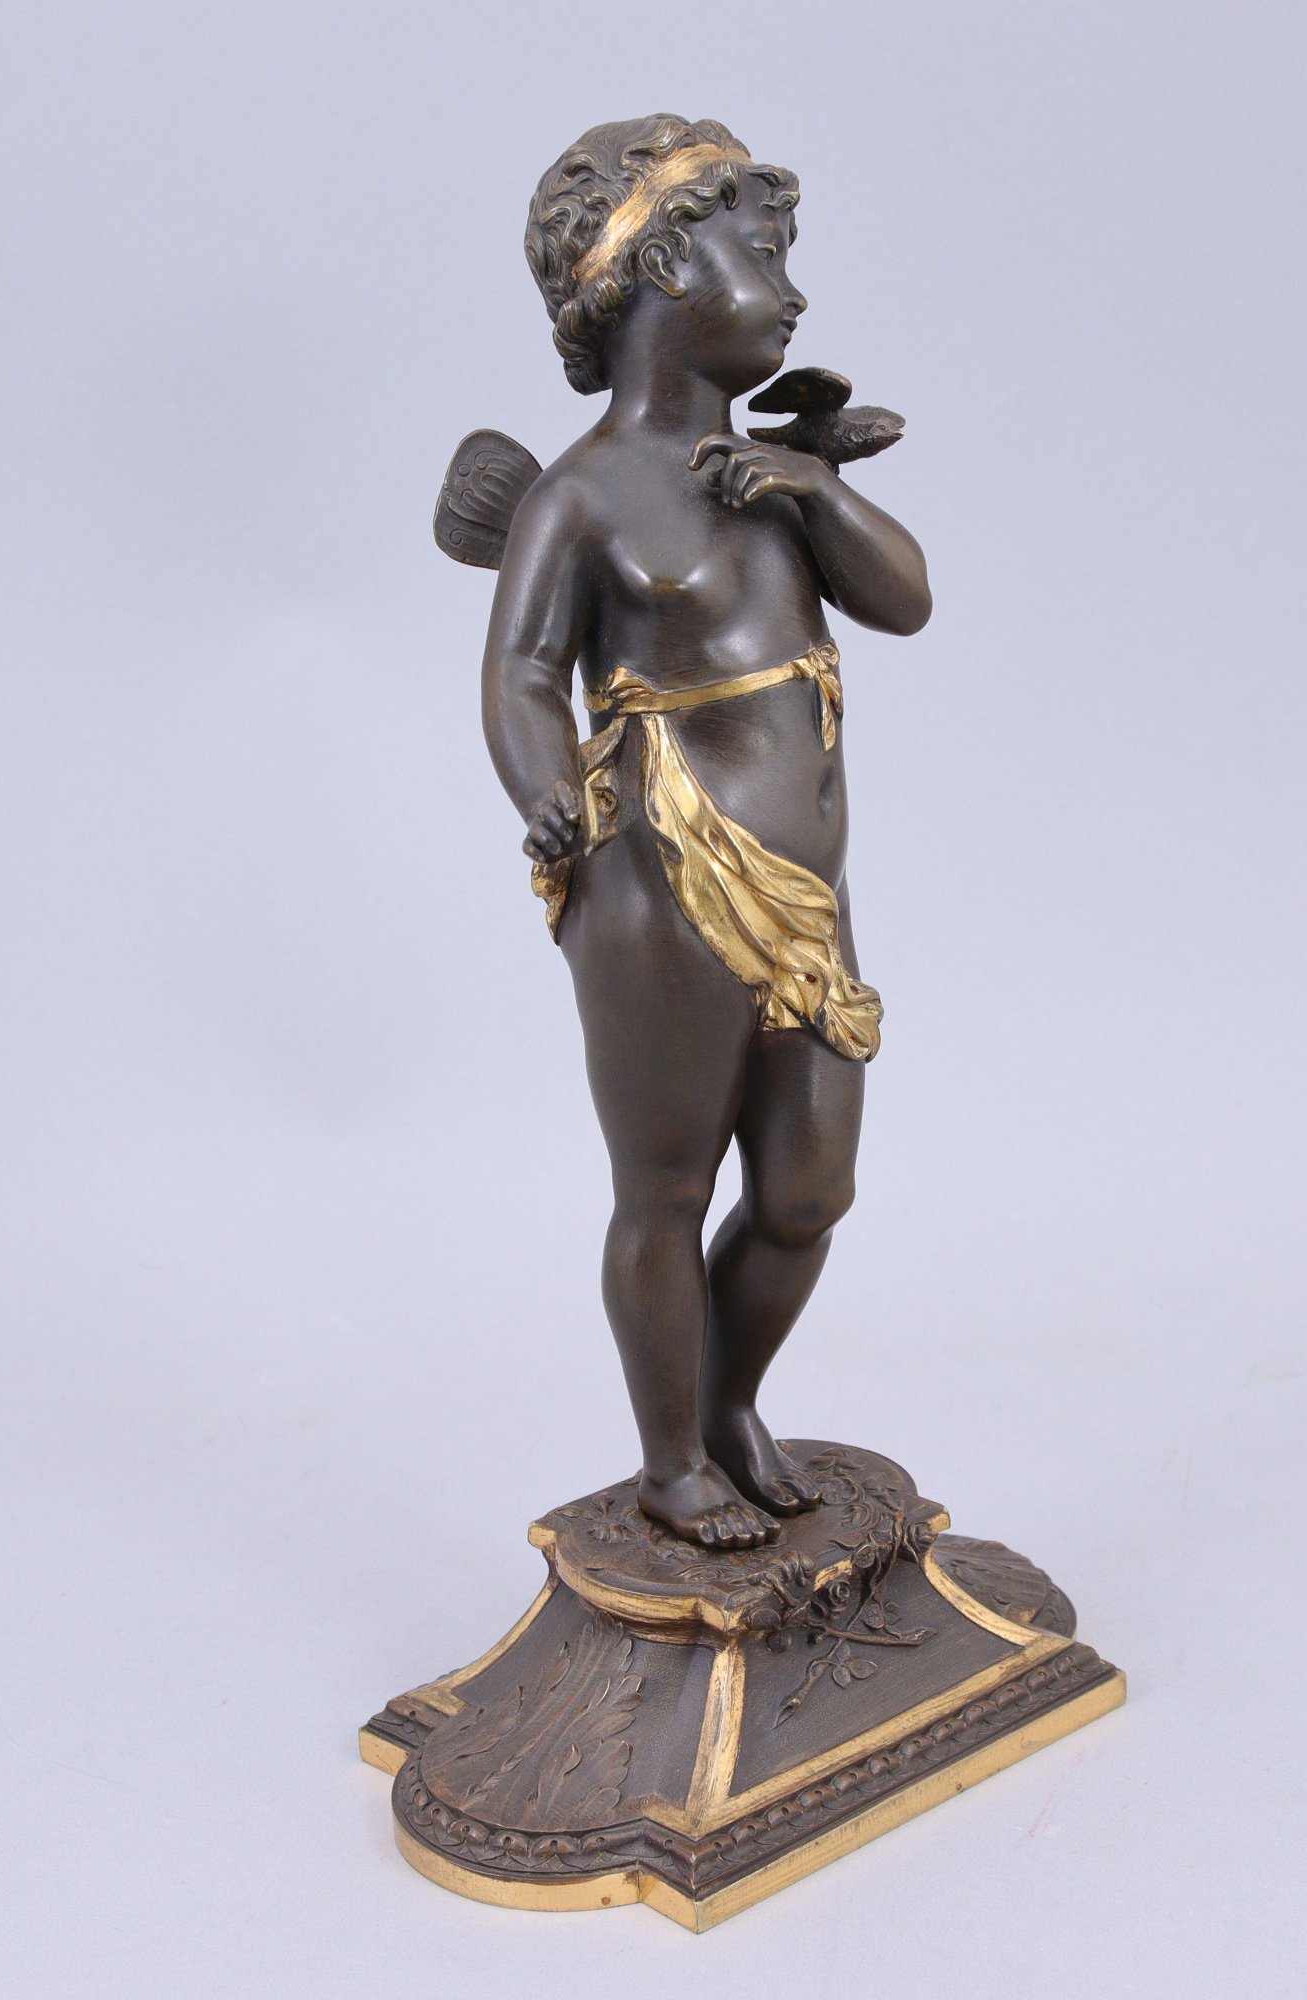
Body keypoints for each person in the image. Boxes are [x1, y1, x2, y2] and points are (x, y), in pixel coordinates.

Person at [479, 116, 932, 1549]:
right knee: (668, 1186)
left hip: (806, 892)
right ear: (667, 265)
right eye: (765, 255)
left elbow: (907, 600)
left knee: (807, 1188)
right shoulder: (581, 495)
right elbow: (520, 671)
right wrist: (545, 788)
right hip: (661, 879)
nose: (793, 294)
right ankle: (673, 1461)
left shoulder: (769, 475)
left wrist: (817, 487)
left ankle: (730, 1402)